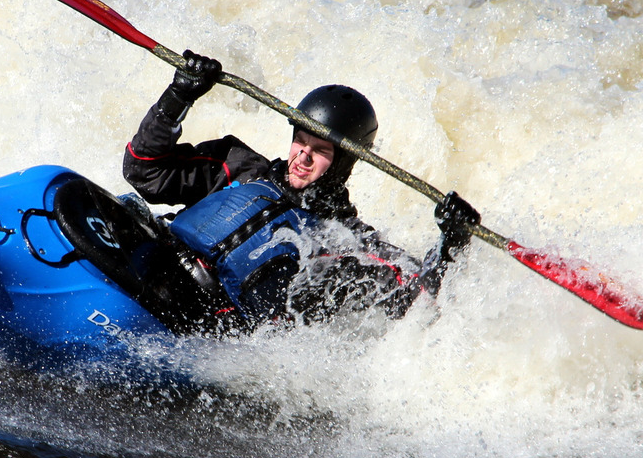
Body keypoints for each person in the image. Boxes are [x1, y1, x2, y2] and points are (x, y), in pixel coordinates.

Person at [122, 50, 480, 332]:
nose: (303, 157)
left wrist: (452, 243)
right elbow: (143, 170)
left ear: (343, 163)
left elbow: (419, 299)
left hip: (204, 323)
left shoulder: (345, 242)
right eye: (301, 141)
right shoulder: (240, 166)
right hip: (154, 267)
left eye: (321, 151)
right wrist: (178, 95)